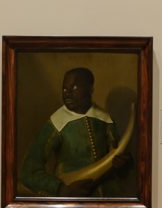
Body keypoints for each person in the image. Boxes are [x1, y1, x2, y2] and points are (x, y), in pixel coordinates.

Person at [20, 67, 131, 197]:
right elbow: (28, 172)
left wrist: (123, 164)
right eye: (64, 89)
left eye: (74, 88)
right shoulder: (56, 123)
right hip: (72, 198)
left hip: (108, 198)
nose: (67, 94)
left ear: (90, 89)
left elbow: (118, 160)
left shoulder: (105, 120)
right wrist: (61, 189)